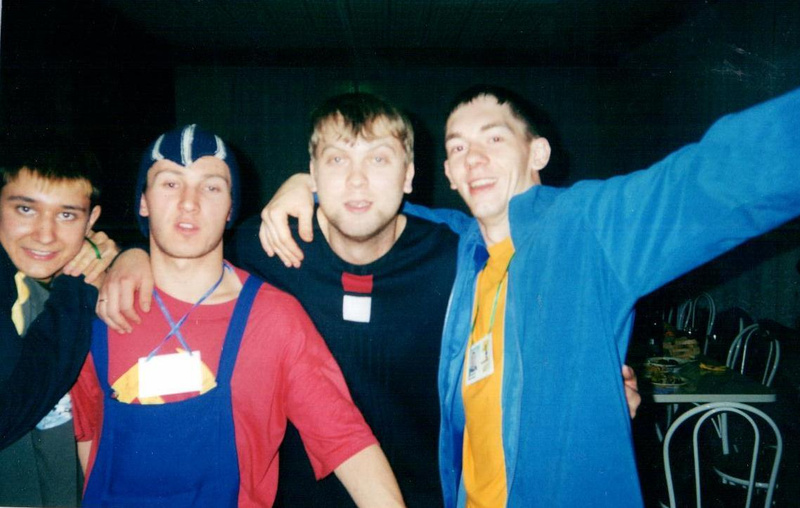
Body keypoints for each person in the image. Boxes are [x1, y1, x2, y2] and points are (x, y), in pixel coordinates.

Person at [97, 94, 641, 507]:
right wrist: (126, 256)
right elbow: (184, 247)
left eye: (379, 160)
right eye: (337, 161)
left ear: (410, 175)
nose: (357, 181)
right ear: (312, 175)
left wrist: (582, 384)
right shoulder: (270, 247)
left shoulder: (459, 255)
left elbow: (527, 298)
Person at [70, 124, 405, 508]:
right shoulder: (102, 309)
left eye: (211, 187)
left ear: (231, 207)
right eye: (170, 183)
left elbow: (346, 440)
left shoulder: (274, 320)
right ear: (143, 201)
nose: (189, 203)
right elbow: (87, 436)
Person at [0, 136, 118, 507]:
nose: (45, 234)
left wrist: (128, 257)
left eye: (66, 215)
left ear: (91, 221)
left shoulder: (51, 284)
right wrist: (78, 286)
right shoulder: (71, 290)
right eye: (25, 209)